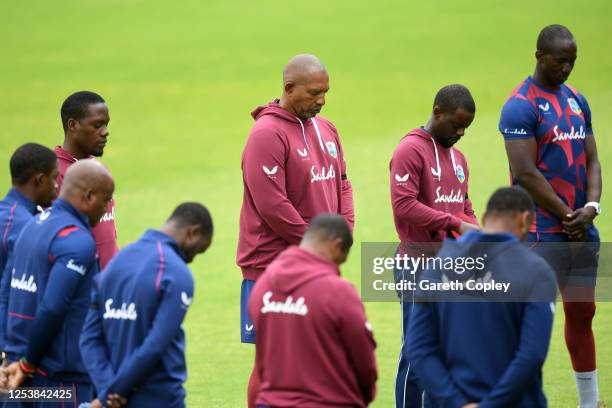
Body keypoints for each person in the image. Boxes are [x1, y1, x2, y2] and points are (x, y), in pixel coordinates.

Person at [237, 54, 354, 406]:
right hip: (272, 266)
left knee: (313, 356)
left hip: (317, 263)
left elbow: (343, 184)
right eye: (314, 93)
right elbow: (273, 206)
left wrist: (343, 232)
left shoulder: (327, 128)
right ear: (289, 89)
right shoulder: (266, 134)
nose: (322, 100)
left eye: (326, 92)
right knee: (270, 361)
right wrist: (319, 245)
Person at [499, 24, 602, 408]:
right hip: (542, 232)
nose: (567, 68)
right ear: (540, 56)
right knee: (533, 324)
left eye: (573, 61)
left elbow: (592, 160)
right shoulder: (520, 105)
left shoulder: (578, 100)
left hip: (580, 230)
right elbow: (525, 172)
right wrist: (567, 215)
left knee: (583, 314)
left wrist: (591, 209)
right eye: (561, 60)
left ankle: (589, 403)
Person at [407, 186, 557, 407]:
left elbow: (418, 349)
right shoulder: (537, 271)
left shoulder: (437, 267)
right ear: (525, 219)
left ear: (485, 218)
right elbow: (531, 354)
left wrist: (455, 402)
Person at [389, 84, 479, 407]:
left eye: (465, 127)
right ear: (437, 112)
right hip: (417, 265)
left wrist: (480, 236)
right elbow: (404, 206)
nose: (461, 133)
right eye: (456, 124)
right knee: (416, 353)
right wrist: (454, 223)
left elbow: (464, 205)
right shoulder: (410, 151)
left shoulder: (459, 158)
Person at [1, 160, 114, 406]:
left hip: (17, 371)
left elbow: (7, 290)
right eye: (106, 200)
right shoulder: (77, 241)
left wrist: (12, 358)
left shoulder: (31, 225)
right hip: (59, 382)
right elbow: (52, 307)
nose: (106, 208)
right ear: (88, 196)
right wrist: (28, 363)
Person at [79, 202, 213, 408]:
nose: (192, 259)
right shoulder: (176, 273)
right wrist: (114, 392)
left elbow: (88, 339)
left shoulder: (116, 262)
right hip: (159, 398)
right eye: (198, 250)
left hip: (115, 401)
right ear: (193, 233)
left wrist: (109, 391)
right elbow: (155, 345)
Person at [249, 214, 376, 407]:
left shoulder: (263, 285)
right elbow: (364, 362)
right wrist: (366, 395)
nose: (337, 267)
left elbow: (261, 364)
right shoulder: (338, 292)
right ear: (336, 245)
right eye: (340, 259)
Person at [0, 143, 58, 352]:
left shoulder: (10, 213)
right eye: (54, 178)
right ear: (39, 180)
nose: (56, 186)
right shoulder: (24, 225)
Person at [55, 91, 118, 269]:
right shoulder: (53, 175)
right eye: (97, 125)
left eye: (106, 125)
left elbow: (108, 233)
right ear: (73, 125)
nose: (105, 132)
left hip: (107, 284)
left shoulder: (98, 170)